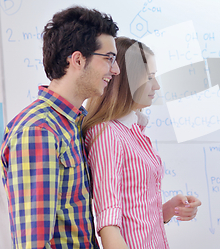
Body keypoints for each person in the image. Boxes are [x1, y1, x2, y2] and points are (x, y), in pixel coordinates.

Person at [0, 6, 120, 249]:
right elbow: (33, 243)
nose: (115, 70)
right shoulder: (39, 132)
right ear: (77, 59)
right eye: (109, 59)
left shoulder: (74, 123)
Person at [82, 37, 201, 249]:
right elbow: (109, 222)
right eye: (149, 78)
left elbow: (135, 214)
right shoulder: (107, 134)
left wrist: (168, 209)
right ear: (125, 80)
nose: (156, 86)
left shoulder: (133, 130)